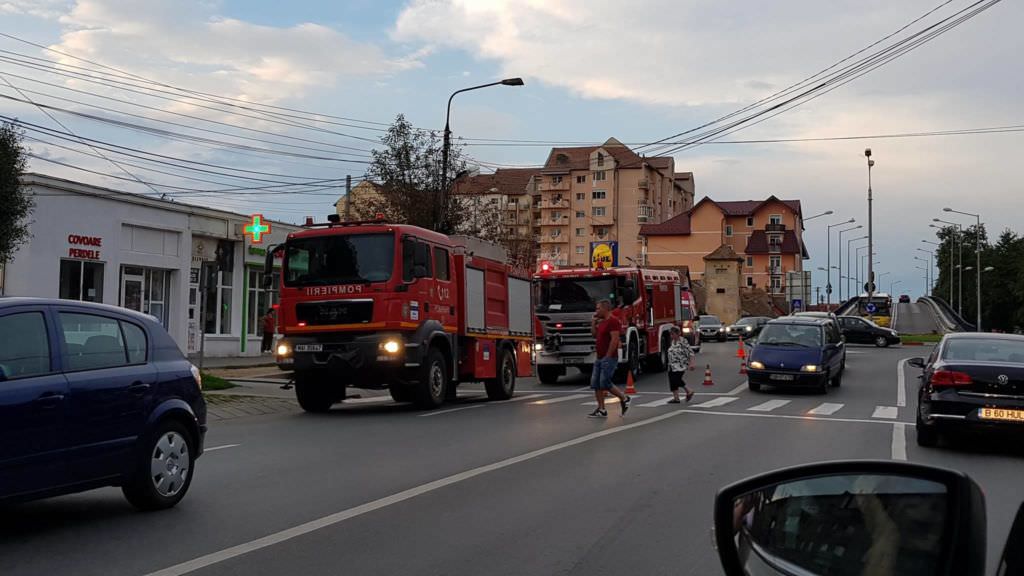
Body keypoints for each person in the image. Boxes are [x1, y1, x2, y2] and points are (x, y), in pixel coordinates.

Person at [589, 299, 630, 418]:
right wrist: (593, 323)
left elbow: (615, 339)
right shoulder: (601, 322)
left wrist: (608, 355)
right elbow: (594, 335)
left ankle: (624, 398)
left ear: (605, 309)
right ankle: (601, 409)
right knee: (595, 384)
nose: (596, 311)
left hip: (609, 357)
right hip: (599, 357)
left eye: (598, 308)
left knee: (604, 382)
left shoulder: (613, 321)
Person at [666, 326, 695, 403]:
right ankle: (676, 398)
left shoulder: (683, 341)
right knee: (672, 381)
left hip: (680, 365)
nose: (671, 336)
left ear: (678, 334)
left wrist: (691, 363)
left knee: (676, 379)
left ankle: (689, 391)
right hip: (671, 365)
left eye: (673, 334)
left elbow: (691, 352)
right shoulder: (672, 342)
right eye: (671, 334)